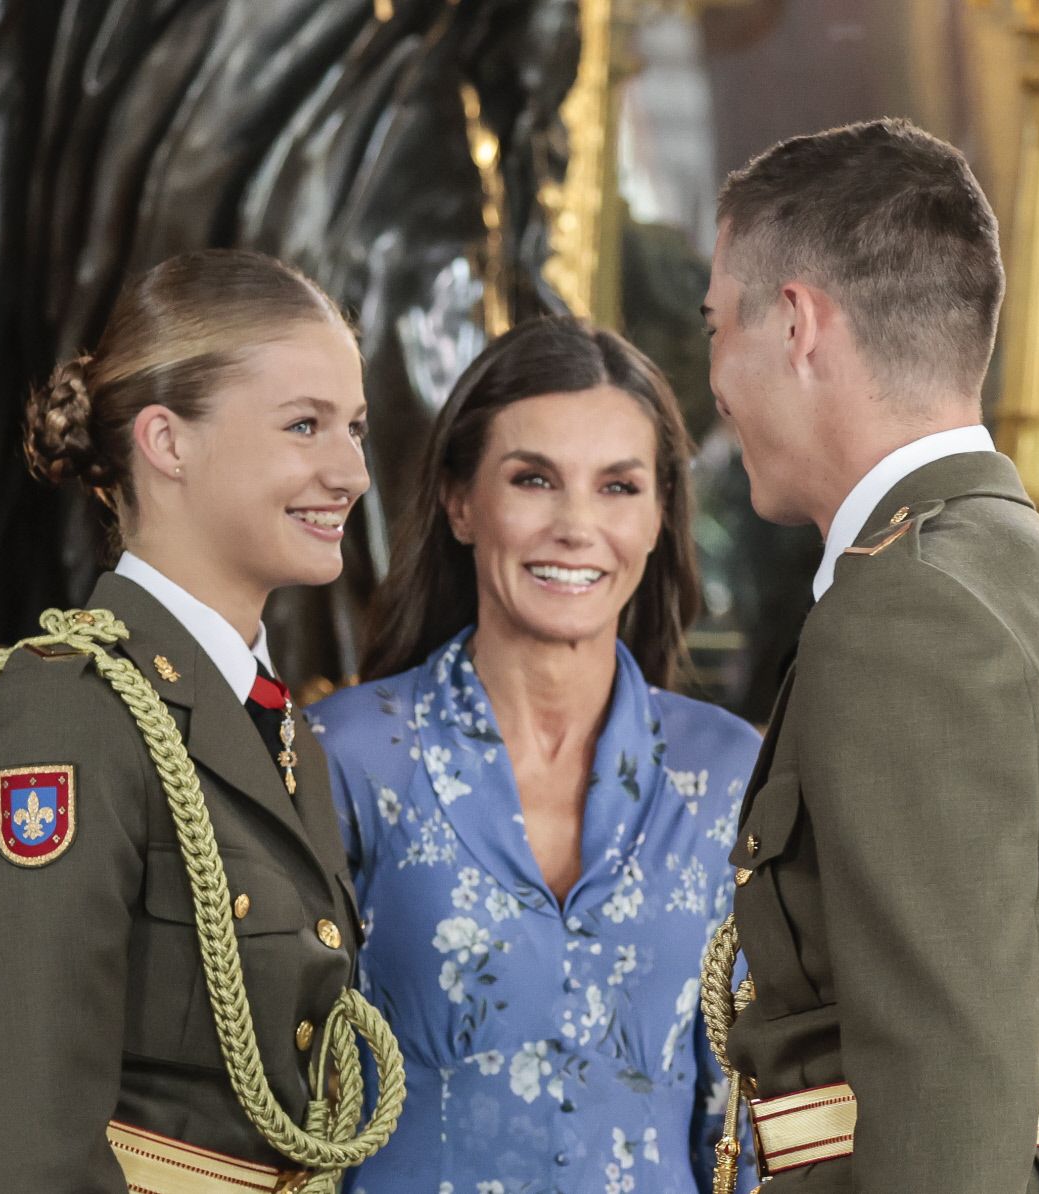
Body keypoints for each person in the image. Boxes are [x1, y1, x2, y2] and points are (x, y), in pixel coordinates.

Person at [699, 117, 1039, 1192]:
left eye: (718, 322)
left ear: (797, 324)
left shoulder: (907, 610)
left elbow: (944, 1084)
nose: (714, 374)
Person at [0, 249, 402, 1192]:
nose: (350, 471)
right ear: (166, 442)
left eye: (354, 428)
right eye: (303, 425)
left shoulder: (278, 727)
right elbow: (22, 1157)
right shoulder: (66, 713)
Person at [307, 316, 760, 1192]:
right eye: (534, 479)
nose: (576, 525)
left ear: (662, 515)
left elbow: (744, 1116)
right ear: (460, 502)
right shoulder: (345, 757)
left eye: (619, 487)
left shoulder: (730, 774)